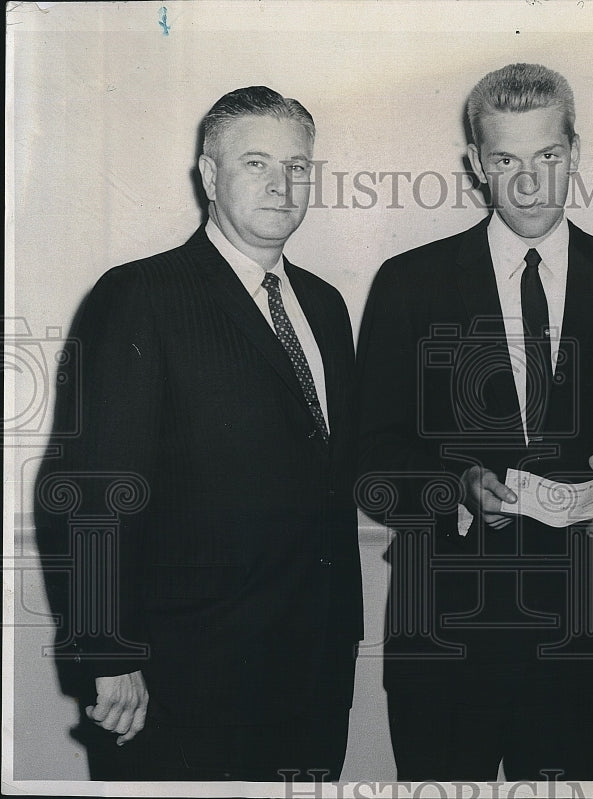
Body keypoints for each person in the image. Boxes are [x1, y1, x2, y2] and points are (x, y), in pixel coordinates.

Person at [355, 63, 593, 781]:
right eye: (506, 159)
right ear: (477, 164)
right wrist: (456, 488)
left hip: (589, 640)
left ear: (576, 151)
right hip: (442, 641)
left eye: (548, 157)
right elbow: (370, 459)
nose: (529, 183)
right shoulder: (410, 284)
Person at [34, 86, 362, 782]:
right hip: (185, 671)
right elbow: (90, 485)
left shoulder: (327, 307)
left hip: (313, 665)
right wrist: (109, 650)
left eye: (298, 166)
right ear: (210, 176)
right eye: (256, 163)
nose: (282, 184)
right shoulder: (141, 295)